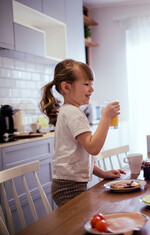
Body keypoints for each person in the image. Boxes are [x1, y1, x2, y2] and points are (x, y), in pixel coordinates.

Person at [40, 59, 125, 207]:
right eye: (86, 84)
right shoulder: (73, 113)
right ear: (66, 87)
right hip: (68, 187)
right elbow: (93, 148)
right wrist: (105, 117)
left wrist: (102, 173)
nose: (91, 89)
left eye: (92, 84)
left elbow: (79, 158)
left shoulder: (69, 111)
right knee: (78, 225)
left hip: (67, 184)